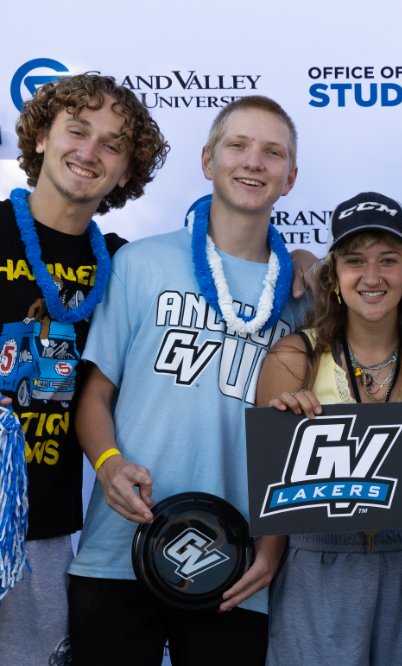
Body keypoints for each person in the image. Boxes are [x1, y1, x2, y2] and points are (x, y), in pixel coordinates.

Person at [67, 95, 306, 665]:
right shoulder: (140, 263)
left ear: (290, 178)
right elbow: (94, 394)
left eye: (272, 152)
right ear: (206, 160)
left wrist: (273, 548)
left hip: (237, 564)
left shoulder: (304, 297)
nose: (254, 162)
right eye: (238, 145)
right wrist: (109, 465)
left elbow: (300, 442)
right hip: (120, 549)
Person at [256, 191, 402, 665]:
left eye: (388, 260)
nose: (372, 277)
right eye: (355, 261)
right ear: (333, 276)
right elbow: (271, 494)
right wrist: (285, 427)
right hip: (316, 561)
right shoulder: (294, 357)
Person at [0, 73, 168, 666]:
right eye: (77, 130)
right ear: (41, 137)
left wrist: (301, 258)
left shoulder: (125, 267)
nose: (89, 152)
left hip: (43, 532)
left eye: (112, 144)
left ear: (125, 173)